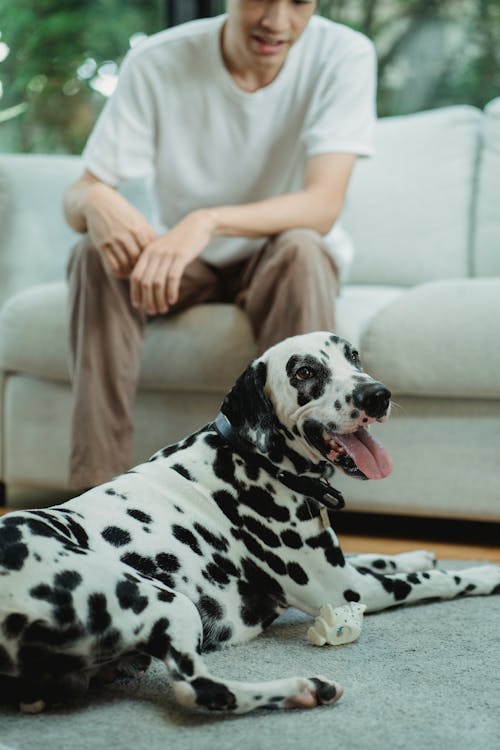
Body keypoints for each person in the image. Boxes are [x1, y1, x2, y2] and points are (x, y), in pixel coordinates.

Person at [63, 0, 377, 490]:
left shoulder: (344, 54)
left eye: (298, 2)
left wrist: (206, 221)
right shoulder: (158, 60)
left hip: (280, 257)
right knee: (91, 254)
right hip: (186, 266)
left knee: (302, 247)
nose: (277, 21)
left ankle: (297, 496)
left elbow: (322, 205)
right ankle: (94, 494)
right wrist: (93, 200)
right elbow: (81, 191)